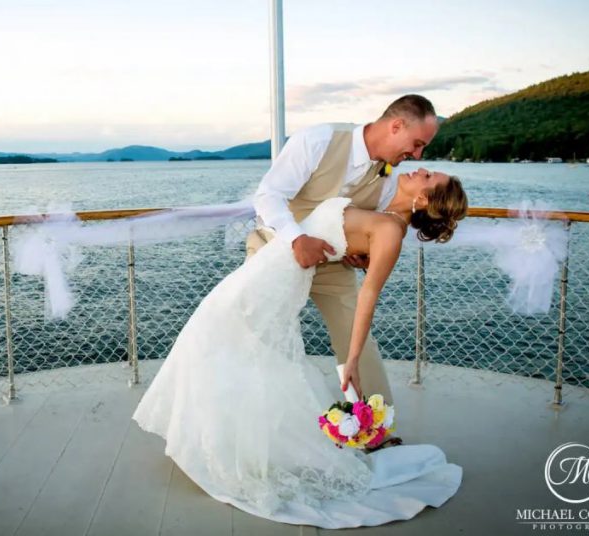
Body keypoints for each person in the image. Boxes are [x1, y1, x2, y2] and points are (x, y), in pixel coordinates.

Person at [132, 169, 468, 528]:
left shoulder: (390, 231)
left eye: (428, 176)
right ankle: (229, 439)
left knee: (226, 347)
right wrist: (350, 250)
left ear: (424, 199)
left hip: (273, 283)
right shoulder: (381, 214)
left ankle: (239, 448)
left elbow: (368, 296)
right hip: (264, 271)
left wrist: (352, 358)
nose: (420, 169)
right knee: (220, 345)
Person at [248, 94, 440, 451]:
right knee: (259, 340)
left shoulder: (387, 180)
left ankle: (374, 429)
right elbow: (268, 196)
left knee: (358, 339)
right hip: (274, 251)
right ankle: (253, 429)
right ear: (396, 126)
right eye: (416, 144)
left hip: (332, 267)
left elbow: (358, 227)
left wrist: (359, 255)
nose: (417, 156)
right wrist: (296, 239)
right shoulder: (318, 141)